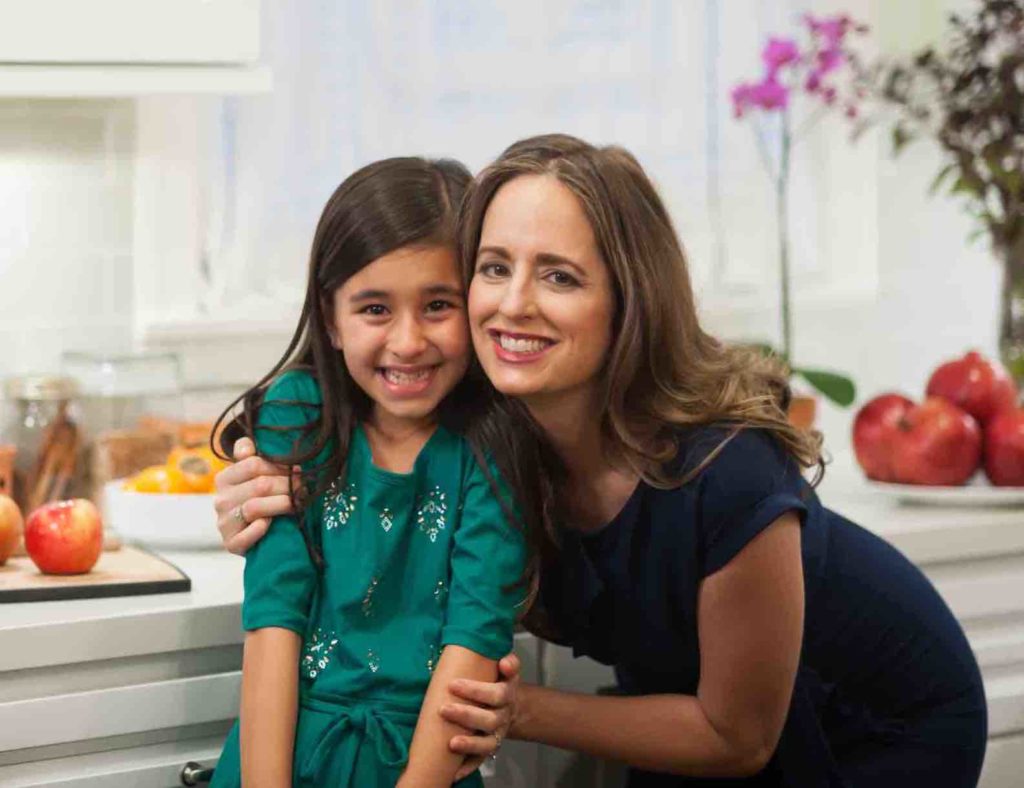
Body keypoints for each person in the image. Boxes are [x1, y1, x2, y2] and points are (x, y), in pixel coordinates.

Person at [214, 135, 988, 787]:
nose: (513, 304)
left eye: (559, 275)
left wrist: (523, 711)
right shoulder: (490, 424)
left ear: (628, 300)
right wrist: (257, 492)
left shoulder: (730, 477)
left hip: (870, 724)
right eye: (493, 267)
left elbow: (738, 736)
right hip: (674, 708)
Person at [207, 156, 528, 788]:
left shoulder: (498, 442)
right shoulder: (297, 415)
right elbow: (273, 621)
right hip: (281, 760)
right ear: (330, 318)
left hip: (424, 767)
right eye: (375, 309)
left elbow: (475, 640)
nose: (408, 342)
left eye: (438, 305)